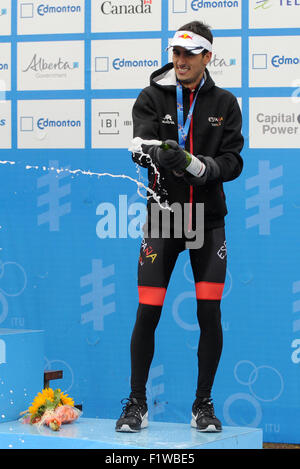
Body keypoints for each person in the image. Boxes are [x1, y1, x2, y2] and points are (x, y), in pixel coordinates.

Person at [115, 20, 244, 433]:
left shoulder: (225, 103)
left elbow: (234, 161)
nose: (181, 60)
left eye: (190, 54)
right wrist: (160, 153)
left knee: (210, 313)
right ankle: (136, 404)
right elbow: (139, 146)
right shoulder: (152, 96)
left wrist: (202, 166)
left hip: (208, 221)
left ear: (208, 57)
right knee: (147, 312)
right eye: (176, 52)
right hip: (164, 217)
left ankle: (202, 405)